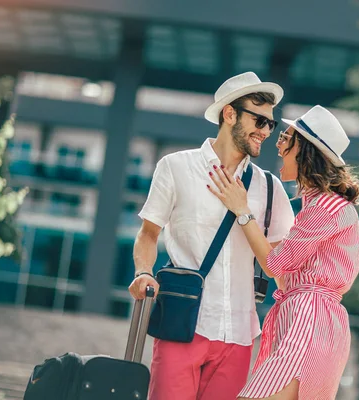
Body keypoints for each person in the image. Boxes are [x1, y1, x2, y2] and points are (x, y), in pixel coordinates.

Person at [128, 72, 295, 400]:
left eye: (269, 125)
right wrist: (143, 272)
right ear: (229, 114)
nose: (264, 131)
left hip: (239, 335)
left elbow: (280, 266)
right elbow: (148, 234)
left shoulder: (270, 188)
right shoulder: (175, 167)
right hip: (182, 323)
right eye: (258, 120)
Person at [207, 105, 359, 400]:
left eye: (285, 138)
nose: (278, 147)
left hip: (309, 319)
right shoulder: (321, 206)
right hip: (310, 319)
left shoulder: (326, 207)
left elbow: (274, 265)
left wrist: (242, 210)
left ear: (305, 149)